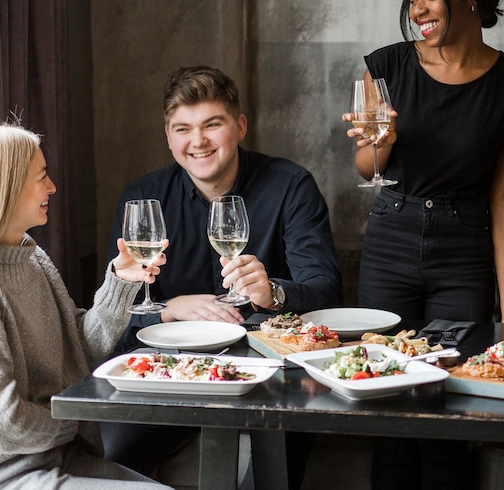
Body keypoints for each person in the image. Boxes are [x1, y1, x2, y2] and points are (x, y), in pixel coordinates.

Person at [343, 0, 504, 490]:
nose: (420, 10)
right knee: (387, 399)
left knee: (448, 405)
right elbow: (367, 168)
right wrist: (378, 137)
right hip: (391, 239)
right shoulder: (385, 67)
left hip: (465, 249)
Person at [102, 65, 342, 488]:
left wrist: (274, 295)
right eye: (183, 129)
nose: (198, 142)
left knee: (275, 465)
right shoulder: (143, 201)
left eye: (213, 125)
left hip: (271, 372)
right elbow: (112, 319)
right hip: (169, 373)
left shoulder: (291, 187)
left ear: (240, 126)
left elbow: (326, 288)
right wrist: (168, 310)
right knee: (116, 457)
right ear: (168, 136)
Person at [0, 123, 172, 490]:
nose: (52, 187)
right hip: (3, 477)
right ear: (5, 189)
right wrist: (77, 420)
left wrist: (120, 284)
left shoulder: (32, 259)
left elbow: (78, 352)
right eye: (41, 176)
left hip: (61, 458)